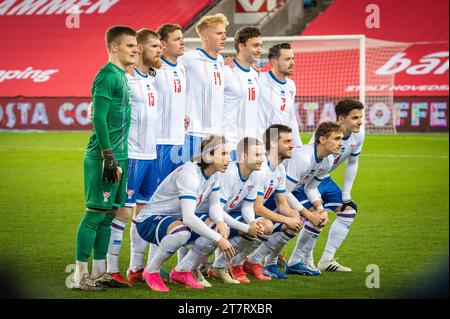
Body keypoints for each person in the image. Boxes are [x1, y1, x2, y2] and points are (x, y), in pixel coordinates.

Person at [134, 136, 261, 292]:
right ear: (208, 155)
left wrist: (221, 222)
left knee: (217, 226)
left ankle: (183, 271)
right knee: (182, 233)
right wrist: (219, 239)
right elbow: (189, 218)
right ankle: (151, 271)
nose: (229, 159)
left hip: (174, 219)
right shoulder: (190, 173)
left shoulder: (215, 174)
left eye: (229, 154)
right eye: (223, 154)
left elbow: (215, 205)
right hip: (149, 220)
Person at [69, 25, 137, 291]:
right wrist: (108, 155)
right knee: (95, 215)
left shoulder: (122, 75)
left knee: (109, 216)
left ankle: (99, 272)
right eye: (130, 45)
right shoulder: (106, 75)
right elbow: (98, 117)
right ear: (114, 47)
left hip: (120, 155)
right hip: (104, 156)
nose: (135, 49)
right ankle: (79, 276)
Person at [102, 29, 162, 285]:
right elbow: (99, 110)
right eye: (153, 46)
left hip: (151, 154)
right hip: (132, 154)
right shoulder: (124, 78)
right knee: (123, 213)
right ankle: (111, 267)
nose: (159, 51)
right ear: (138, 48)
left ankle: (135, 267)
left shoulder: (150, 78)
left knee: (143, 212)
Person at [239, 124, 323, 280]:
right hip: (238, 213)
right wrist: (288, 219)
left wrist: (294, 216)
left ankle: (254, 262)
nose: (292, 145)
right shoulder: (261, 168)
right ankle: (233, 264)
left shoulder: (280, 169)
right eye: (287, 142)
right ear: (272, 144)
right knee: (268, 225)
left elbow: (282, 203)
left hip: (249, 213)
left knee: (294, 219)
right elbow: (257, 208)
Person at [306, 99, 365, 272]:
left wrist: (346, 194)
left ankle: (326, 260)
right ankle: (305, 259)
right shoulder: (326, 133)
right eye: (355, 118)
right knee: (313, 216)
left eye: (361, 117)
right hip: (308, 180)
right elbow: (310, 162)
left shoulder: (359, 134)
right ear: (340, 119)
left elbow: (353, 162)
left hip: (325, 178)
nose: (360, 121)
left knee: (349, 210)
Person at [283, 121, 344, 276]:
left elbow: (310, 187)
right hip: (269, 193)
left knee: (318, 218)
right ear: (322, 139)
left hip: (289, 191)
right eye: (336, 139)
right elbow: (283, 192)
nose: (341, 143)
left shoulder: (328, 160)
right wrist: (308, 214)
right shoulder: (304, 157)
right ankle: (256, 261)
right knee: (288, 222)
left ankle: (295, 262)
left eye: (341, 139)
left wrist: (320, 209)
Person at [207, 137, 269, 283]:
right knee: (229, 229)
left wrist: (252, 223)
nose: (262, 159)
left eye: (263, 155)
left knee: (265, 226)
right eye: (258, 155)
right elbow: (217, 210)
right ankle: (192, 267)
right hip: (213, 215)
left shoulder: (257, 174)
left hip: (228, 216)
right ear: (245, 157)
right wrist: (246, 227)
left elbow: (247, 206)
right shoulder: (230, 173)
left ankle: (225, 266)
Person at [179, 14, 228, 162]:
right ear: (205, 37)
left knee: (212, 183)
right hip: (193, 133)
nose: (225, 37)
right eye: (219, 33)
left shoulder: (221, 61)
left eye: (225, 33)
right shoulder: (189, 58)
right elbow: (162, 66)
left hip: (216, 135)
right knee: (190, 180)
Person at [222, 26, 262, 159]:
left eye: (260, 45)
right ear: (241, 46)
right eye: (255, 46)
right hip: (231, 145)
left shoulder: (255, 74)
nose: (259, 50)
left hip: (251, 146)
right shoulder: (225, 71)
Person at [258, 43, 302, 147]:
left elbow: (291, 117)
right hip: (263, 144)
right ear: (274, 62)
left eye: (293, 58)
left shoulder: (291, 85)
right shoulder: (259, 79)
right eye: (287, 59)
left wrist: (298, 145)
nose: (292, 63)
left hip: (282, 146)